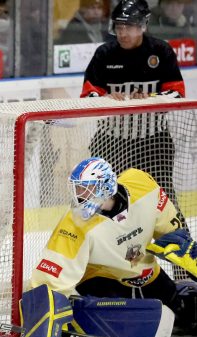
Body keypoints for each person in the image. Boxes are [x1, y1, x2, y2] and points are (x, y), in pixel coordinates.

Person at [21, 157, 197, 337]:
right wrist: (42, 317)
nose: (79, 196)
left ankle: (184, 293)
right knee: (129, 321)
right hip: (101, 280)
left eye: (84, 189)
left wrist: (176, 241)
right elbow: (52, 274)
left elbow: (170, 227)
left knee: (184, 311)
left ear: (105, 186)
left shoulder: (141, 185)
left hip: (146, 272)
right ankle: (79, 313)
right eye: (76, 189)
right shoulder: (74, 223)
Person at [80, 0, 187, 228]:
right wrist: (104, 99)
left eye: (128, 27)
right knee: (104, 204)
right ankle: (116, 260)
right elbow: (87, 96)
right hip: (110, 142)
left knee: (166, 203)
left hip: (154, 142)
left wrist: (150, 100)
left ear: (143, 26)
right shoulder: (105, 54)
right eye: (119, 27)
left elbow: (177, 94)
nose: (122, 32)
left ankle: (184, 263)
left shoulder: (160, 51)